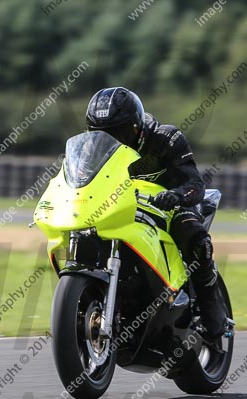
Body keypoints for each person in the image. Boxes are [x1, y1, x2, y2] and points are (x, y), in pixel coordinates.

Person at [85, 86, 227, 344]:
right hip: (122, 209)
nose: (112, 139)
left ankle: (210, 305)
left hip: (171, 206)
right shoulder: (91, 151)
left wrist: (176, 195)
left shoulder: (165, 138)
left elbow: (194, 183)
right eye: (101, 133)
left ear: (137, 126)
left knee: (194, 237)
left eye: (118, 131)